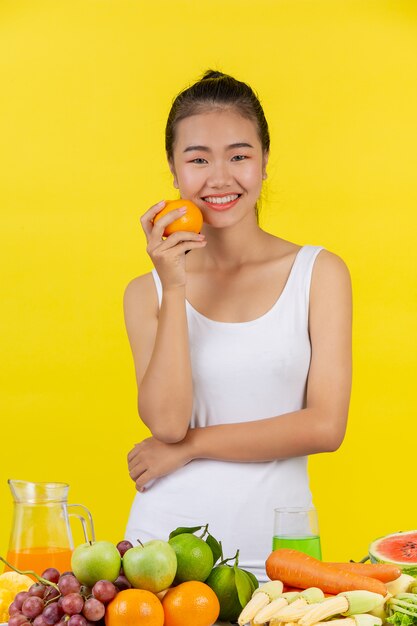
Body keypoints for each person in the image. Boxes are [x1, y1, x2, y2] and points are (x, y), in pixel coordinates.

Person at [123, 70, 352, 582]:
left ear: (265, 163)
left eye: (239, 155)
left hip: (279, 556)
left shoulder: (318, 273)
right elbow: (165, 424)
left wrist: (190, 448)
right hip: (159, 556)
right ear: (175, 171)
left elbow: (324, 426)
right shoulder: (148, 292)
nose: (220, 177)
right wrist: (175, 284)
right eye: (198, 158)